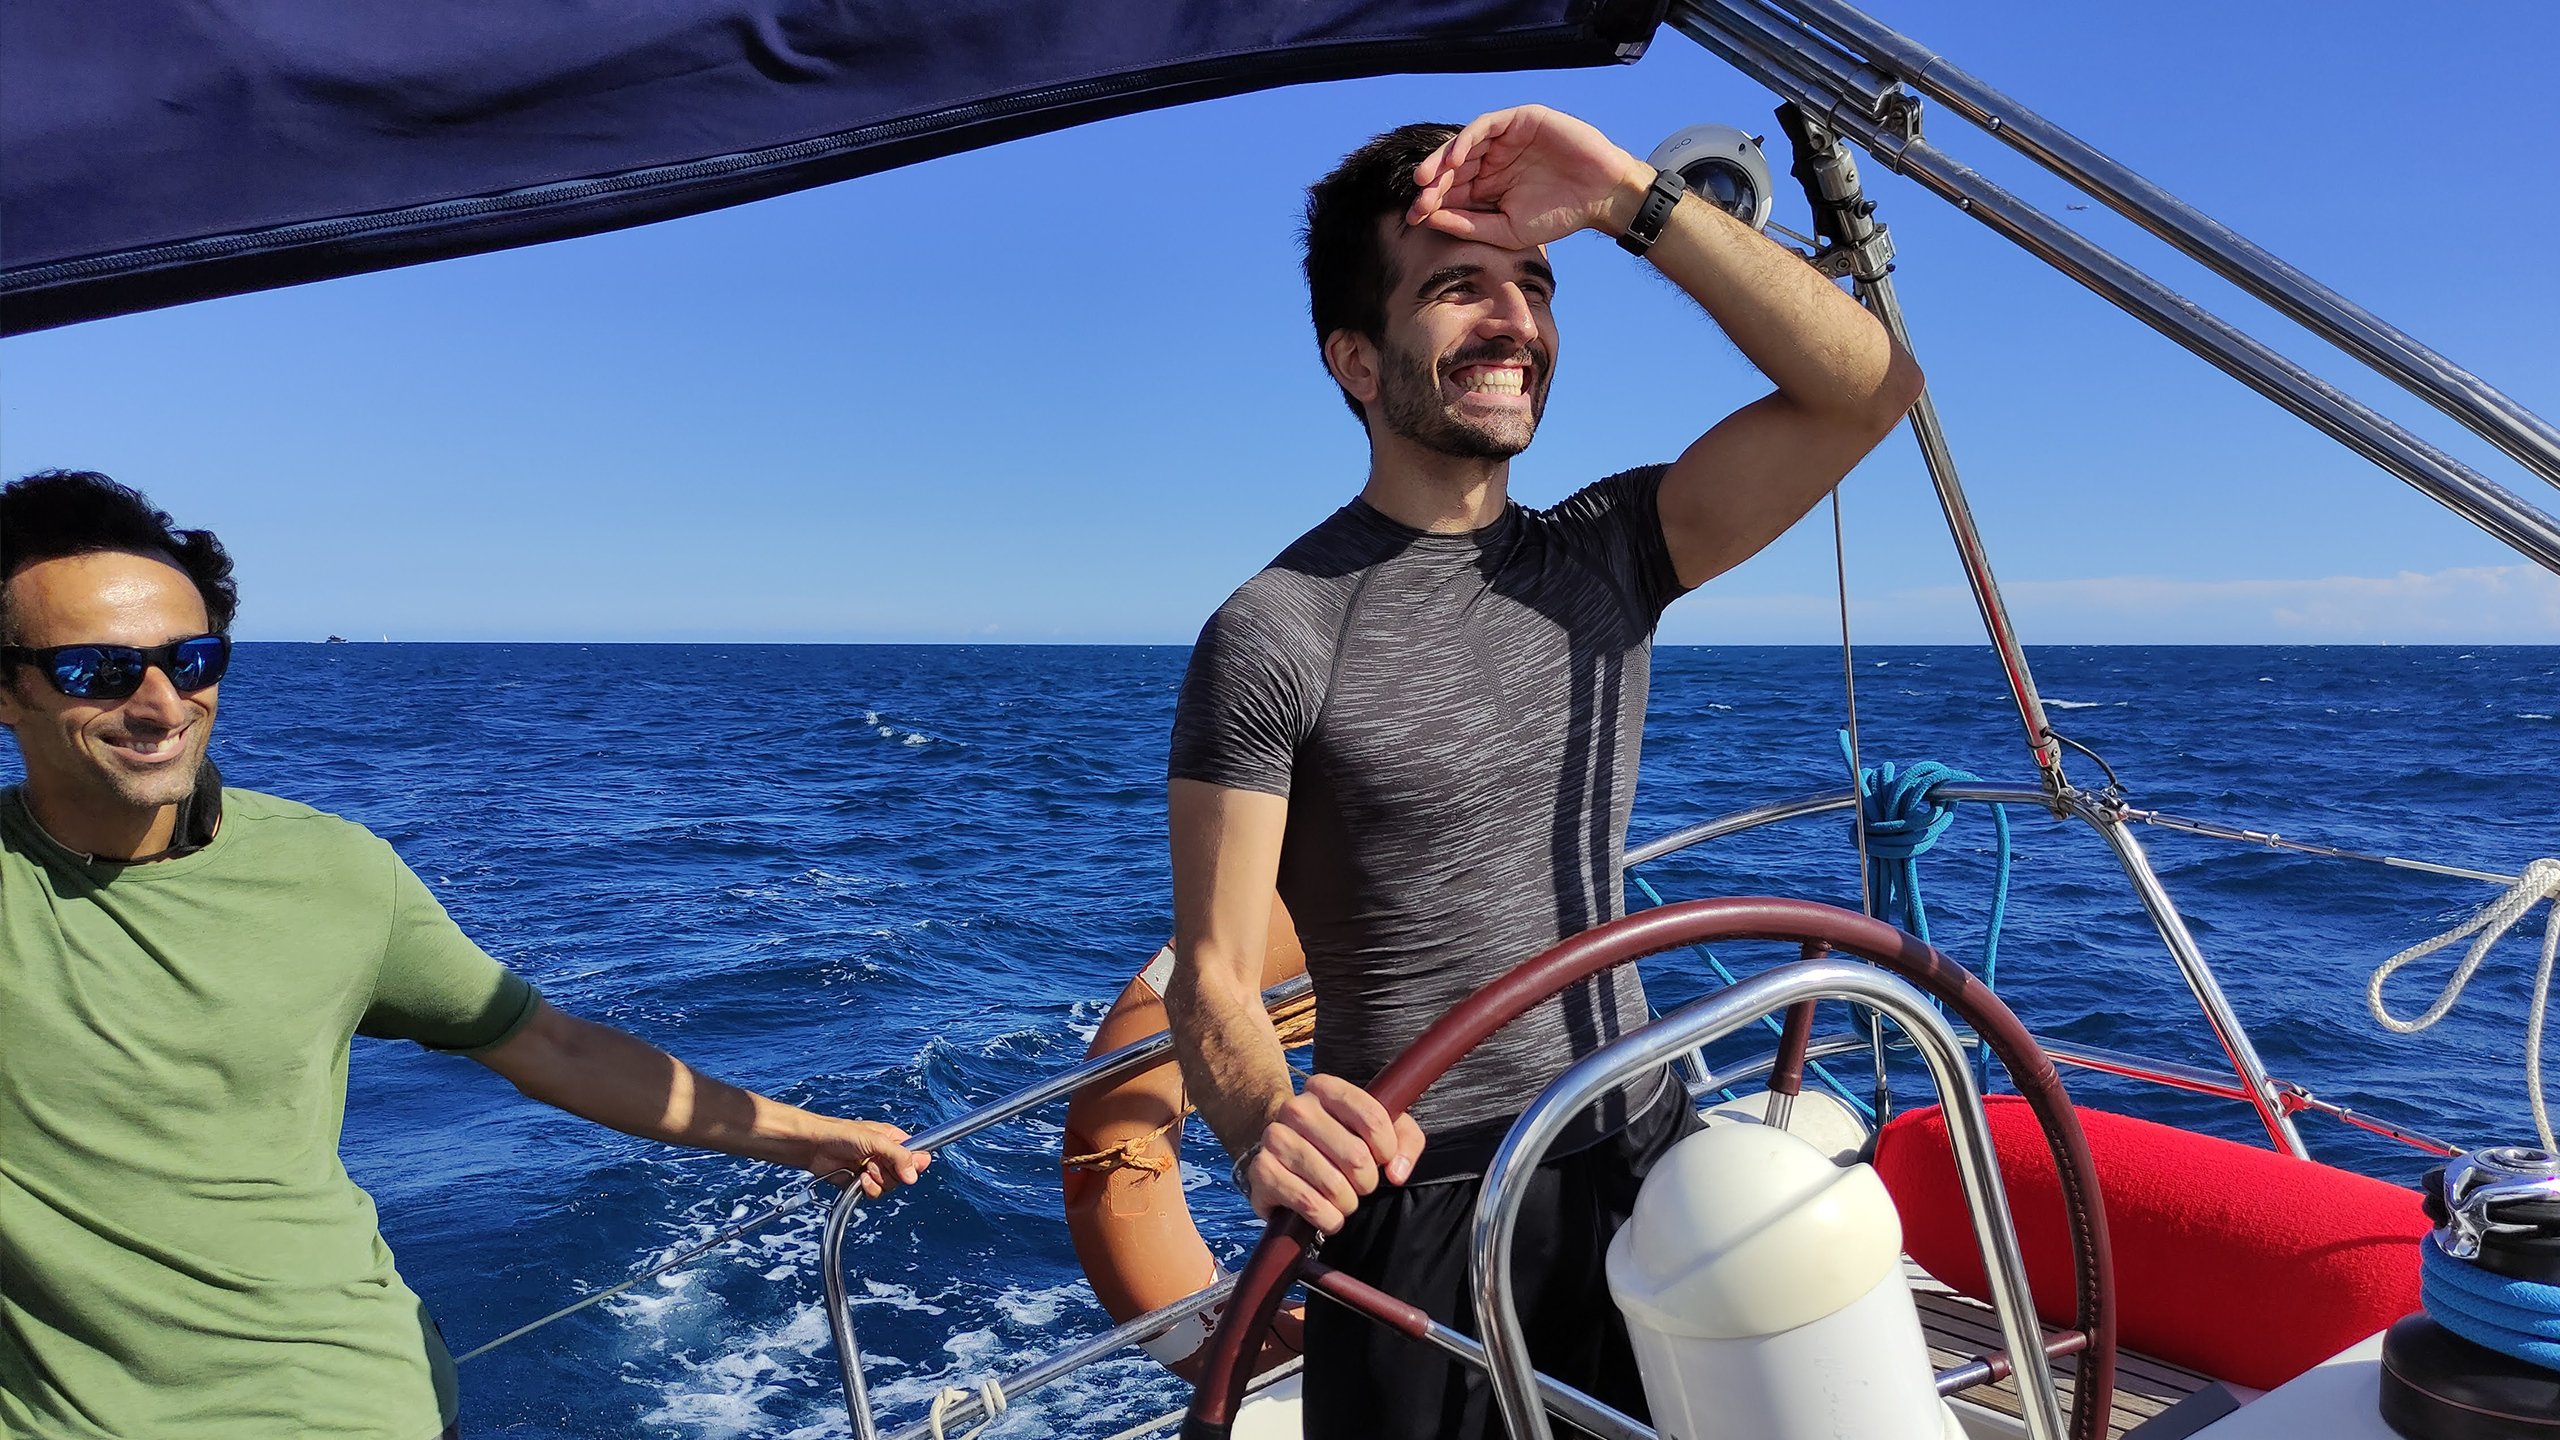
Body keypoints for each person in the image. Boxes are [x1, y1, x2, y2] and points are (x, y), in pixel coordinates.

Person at [1160, 107, 1923, 1437]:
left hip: (1639, 1153)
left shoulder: (1612, 551)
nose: (1512, 320)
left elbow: (1869, 388)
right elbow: (1217, 977)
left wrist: (1629, 198)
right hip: (1417, 1203)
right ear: (1354, 356)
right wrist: (1261, 1124)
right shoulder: (1274, 628)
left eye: (1535, 282)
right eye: (1459, 287)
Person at [0, 469, 930, 1440]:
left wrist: (803, 1136)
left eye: (192, 659)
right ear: (6, 689)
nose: (162, 703)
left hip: (365, 1406)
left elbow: (548, 1046)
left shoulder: (333, 871)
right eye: (96, 671)